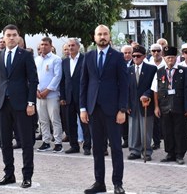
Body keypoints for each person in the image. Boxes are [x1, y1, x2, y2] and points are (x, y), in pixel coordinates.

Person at [80, 24, 128, 194]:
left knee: (115, 148)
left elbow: (124, 84)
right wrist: (83, 108)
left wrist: (122, 109)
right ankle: (99, 182)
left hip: (113, 110)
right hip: (93, 109)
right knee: (97, 148)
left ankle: (117, 183)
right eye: (99, 34)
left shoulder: (118, 57)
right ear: (94, 37)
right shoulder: (88, 56)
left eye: (105, 34)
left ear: (109, 36)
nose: (102, 37)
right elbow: (84, 84)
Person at [0, 24, 38, 189]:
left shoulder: (25, 55)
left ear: (18, 37)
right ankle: (9, 174)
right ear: (3, 37)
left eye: (14, 35)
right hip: (2, 104)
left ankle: (27, 176)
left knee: (26, 142)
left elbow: (33, 80)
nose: (11, 38)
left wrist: (31, 103)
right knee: (5, 142)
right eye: (8, 35)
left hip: (22, 105)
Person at [153, 46, 187, 164]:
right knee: (167, 131)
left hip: (179, 105)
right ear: (164, 58)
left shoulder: (183, 71)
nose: (170, 60)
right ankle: (170, 153)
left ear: (176, 58)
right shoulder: (159, 71)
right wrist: (156, 107)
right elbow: (155, 90)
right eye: (168, 58)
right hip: (164, 106)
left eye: (172, 58)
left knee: (179, 130)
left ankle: (179, 154)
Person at [60, 38, 91, 155]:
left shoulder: (85, 60)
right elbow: (62, 80)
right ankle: (74, 145)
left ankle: (87, 146)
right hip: (68, 97)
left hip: (82, 96)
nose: (71, 48)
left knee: (85, 123)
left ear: (78, 47)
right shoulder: (65, 62)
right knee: (70, 123)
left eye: (73, 45)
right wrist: (62, 96)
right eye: (69, 46)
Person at [127, 45, 157, 161]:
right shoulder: (128, 70)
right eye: (133, 56)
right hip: (133, 105)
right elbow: (125, 89)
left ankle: (147, 152)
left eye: (138, 56)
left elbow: (154, 87)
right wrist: (126, 105)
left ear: (144, 56)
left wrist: (147, 94)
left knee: (146, 130)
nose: (135, 58)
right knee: (133, 129)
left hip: (146, 104)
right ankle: (134, 151)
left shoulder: (151, 69)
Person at [35, 37, 63, 153]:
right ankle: (46, 141)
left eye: (46, 44)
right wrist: (36, 89)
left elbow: (57, 76)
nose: (43, 47)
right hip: (39, 95)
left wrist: (48, 90)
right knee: (43, 120)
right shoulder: (36, 59)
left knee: (54, 119)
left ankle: (58, 142)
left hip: (52, 95)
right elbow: (34, 76)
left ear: (51, 46)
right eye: (42, 44)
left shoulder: (56, 59)